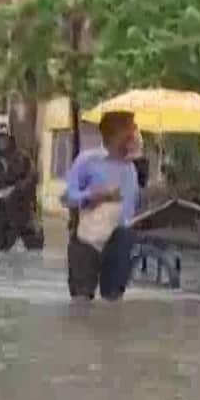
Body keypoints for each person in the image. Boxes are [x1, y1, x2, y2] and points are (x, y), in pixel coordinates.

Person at [63, 111, 142, 301]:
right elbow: (67, 197)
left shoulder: (131, 168)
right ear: (113, 133)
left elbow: (132, 209)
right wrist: (93, 196)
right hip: (87, 239)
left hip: (119, 241)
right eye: (130, 129)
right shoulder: (88, 160)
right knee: (81, 303)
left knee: (113, 303)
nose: (134, 134)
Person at [0, 129, 42, 250]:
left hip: (21, 204)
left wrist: (15, 189)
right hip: (0, 205)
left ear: (10, 139)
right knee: (0, 242)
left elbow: (33, 177)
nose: (2, 141)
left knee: (34, 241)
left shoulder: (23, 157)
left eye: (4, 138)